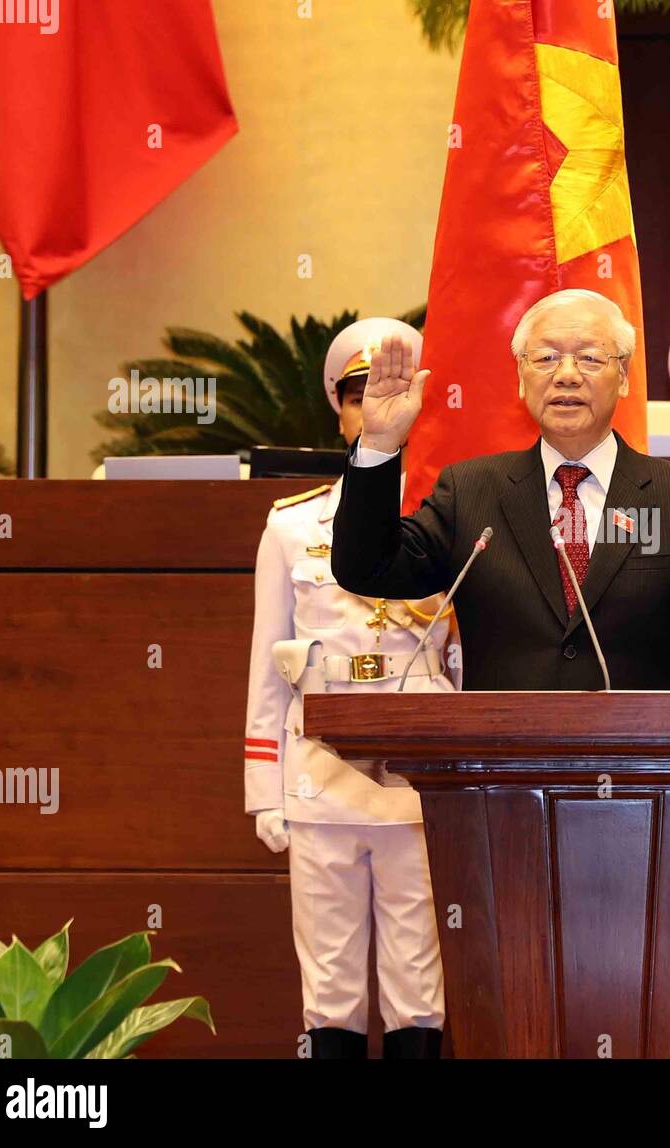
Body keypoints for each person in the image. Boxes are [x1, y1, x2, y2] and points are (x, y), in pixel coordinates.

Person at [331, 288, 670, 687]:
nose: (566, 376)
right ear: (520, 378)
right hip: (501, 775)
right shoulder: (472, 490)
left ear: (624, 378)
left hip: (640, 776)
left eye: (590, 359)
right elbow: (369, 566)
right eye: (546, 358)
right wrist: (377, 444)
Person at [244, 318, 454, 1060]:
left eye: (389, 393)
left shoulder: (445, 518)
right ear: (341, 411)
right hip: (323, 773)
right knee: (329, 988)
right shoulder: (293, 528)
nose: (373, 409)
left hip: (418, 782)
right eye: (359, 395)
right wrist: (265, 789)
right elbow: (270, 667)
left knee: (418, 989)